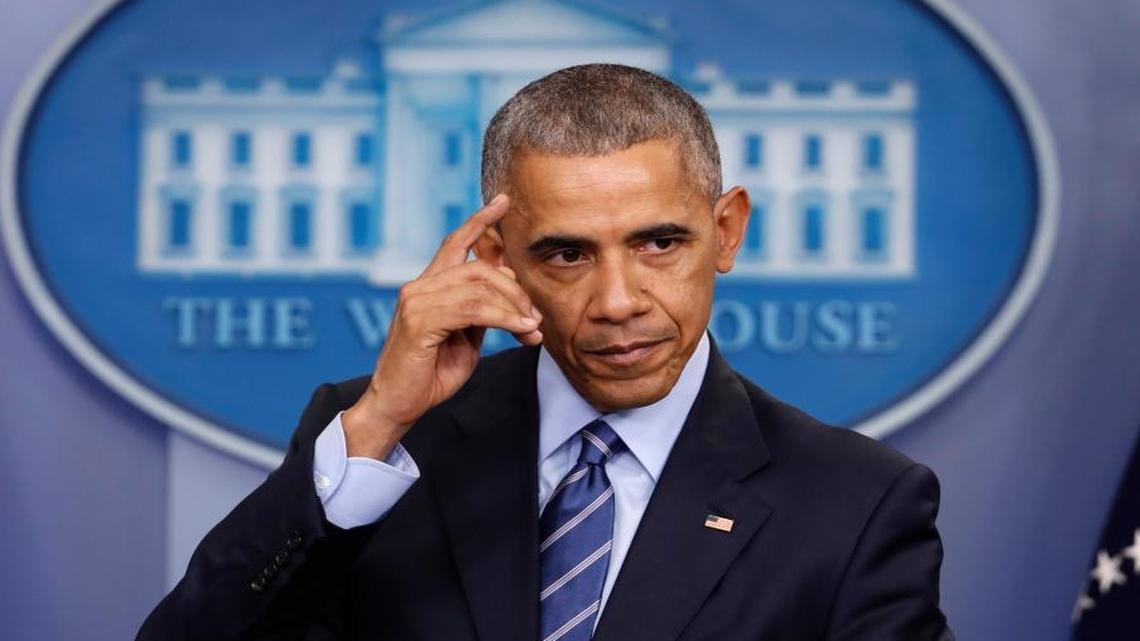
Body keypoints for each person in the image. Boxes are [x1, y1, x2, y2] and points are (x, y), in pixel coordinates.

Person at [137, 63, 952, 641]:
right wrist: (380, 420)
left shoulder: (857, 502)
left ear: (726, 230)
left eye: (660, 242)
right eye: (567, 253)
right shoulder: (378, 441)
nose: (618, 300)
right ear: (497, 258)